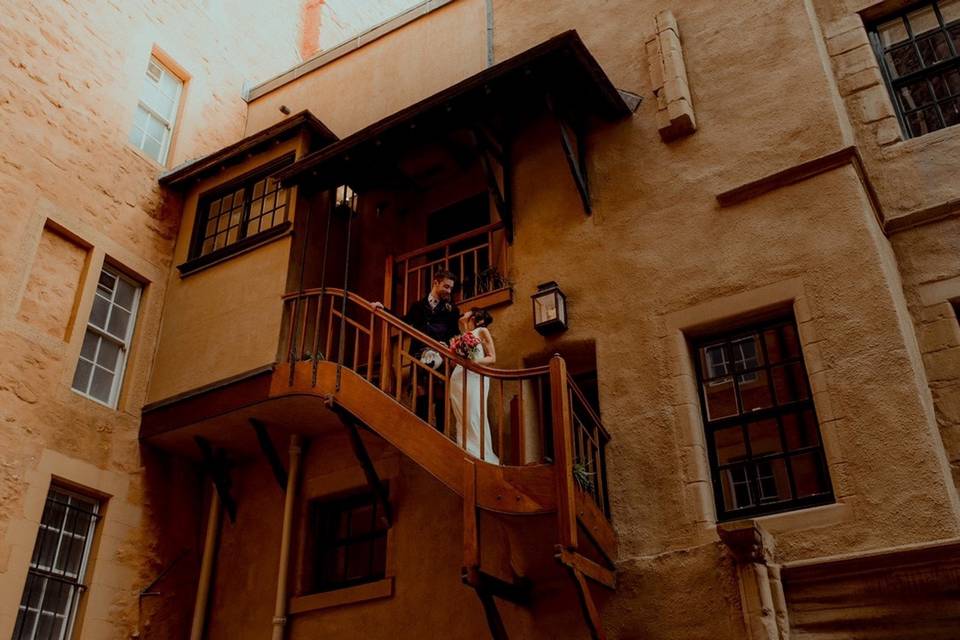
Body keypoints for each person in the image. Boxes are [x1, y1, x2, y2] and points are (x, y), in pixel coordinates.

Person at [373, 270, 460, 430]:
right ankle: (422, 433)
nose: (449, 291)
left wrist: (449, 345)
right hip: (419, 355)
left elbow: (455, 333)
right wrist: (383, 309)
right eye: (446, 287)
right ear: (436, 283)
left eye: (451, 288)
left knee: (441, 399)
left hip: (441, 356)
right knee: (421, 397)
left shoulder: (452, 309)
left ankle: (440, 436)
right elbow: (404, 322)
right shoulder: (418, 306)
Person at [449, 308, 499, 464]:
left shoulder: (482, 330)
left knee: (473, 413)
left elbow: (492, 358)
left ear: (475, 317)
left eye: (468, 312)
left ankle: (480, 455)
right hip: (458, 378)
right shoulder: (464, 333)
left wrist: (473, 362)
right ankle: (465, 451)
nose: (464, 313)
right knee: (461, 415)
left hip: (473, 376)